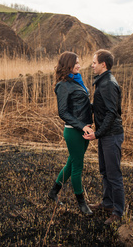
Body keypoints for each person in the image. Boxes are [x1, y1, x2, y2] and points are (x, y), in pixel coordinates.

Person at [47, 51, 94, 215]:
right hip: (74, 132)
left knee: (71, 163)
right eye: (76, 63)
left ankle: (53, 192)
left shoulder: (77, 81)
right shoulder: (62, 85)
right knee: (77, 168)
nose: (79, 66)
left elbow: (83, 105)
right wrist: (82, 126)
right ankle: (82, 203)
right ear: (68, 64)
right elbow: (63, 113)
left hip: (84, 130)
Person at [83, 49, 125, 225]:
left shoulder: (108, 83)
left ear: (103, 64)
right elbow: (103, 107)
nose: (92, 65)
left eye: (94, 62)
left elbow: (111, 113)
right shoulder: (103, 81)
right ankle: (107, 203)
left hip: (111, 135)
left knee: (114, 174)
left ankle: (118, 212)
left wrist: (97, 134)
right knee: (105, 171)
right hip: (106, 135)